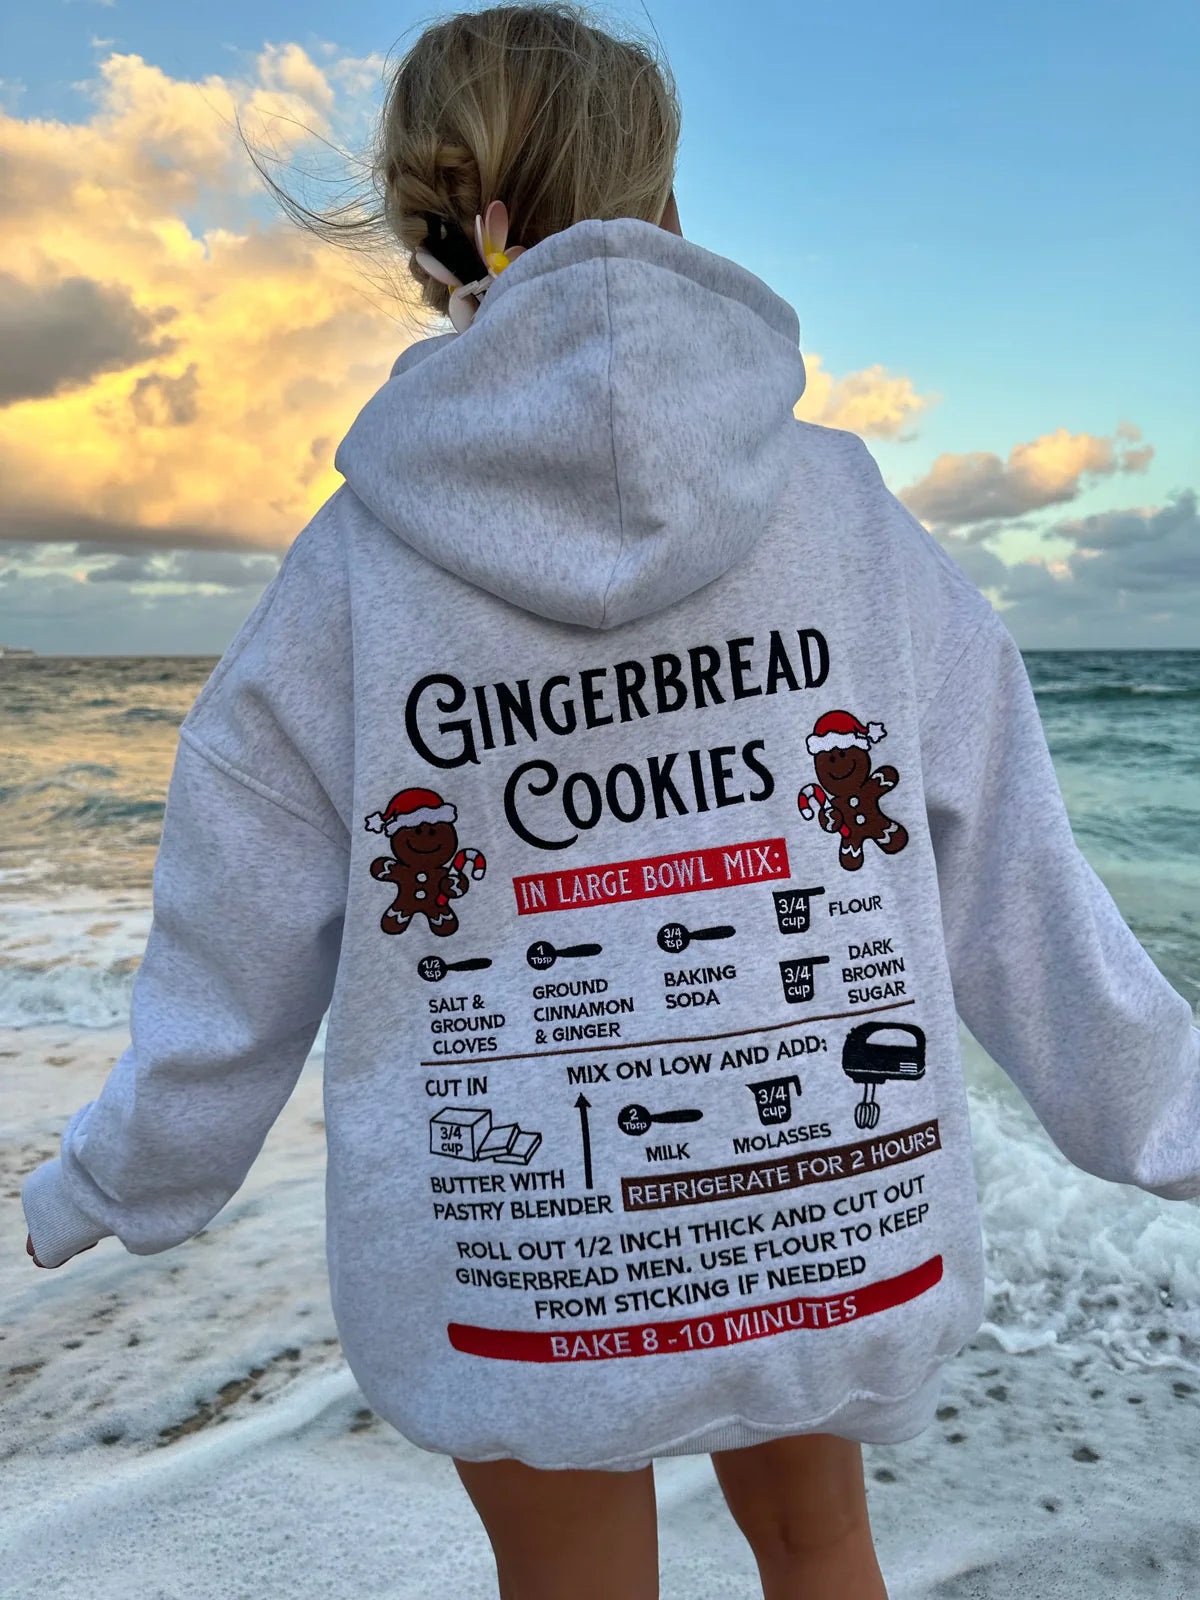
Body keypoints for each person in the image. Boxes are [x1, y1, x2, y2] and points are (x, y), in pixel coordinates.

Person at [22, 5, 1200, 1597]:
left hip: (524, 1258)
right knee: (815, 1538)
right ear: (663, 216)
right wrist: (1167, 1113)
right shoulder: (844, 509)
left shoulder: (355, 570)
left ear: (434, 240)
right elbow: (1015, 885)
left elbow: (233, 940)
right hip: (827, 1219)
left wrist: (127, 1176)